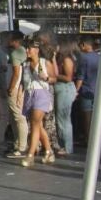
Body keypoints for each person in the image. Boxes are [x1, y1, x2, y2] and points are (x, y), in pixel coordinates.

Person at [18, 37, 55, 165]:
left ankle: (30, 155)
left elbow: (54, 78)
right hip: (29, 94)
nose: (27, 51)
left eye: (30, 48)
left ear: (37, 50)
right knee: (37, 125)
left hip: (42, 93)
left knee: (34, 124)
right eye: (26, 48)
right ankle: (49, 151)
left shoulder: (45, 63)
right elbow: (23, 81)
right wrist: (19, 94)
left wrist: (47, 78)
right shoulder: (25, 64)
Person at [50, 39, 79, 156]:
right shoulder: (60, 59)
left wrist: (55, 76)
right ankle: (63, 145)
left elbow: (68, 77)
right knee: (60, 119)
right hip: (61, 88)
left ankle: (67, 147)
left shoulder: (67, 60)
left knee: (64, 119)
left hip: (65, 89)